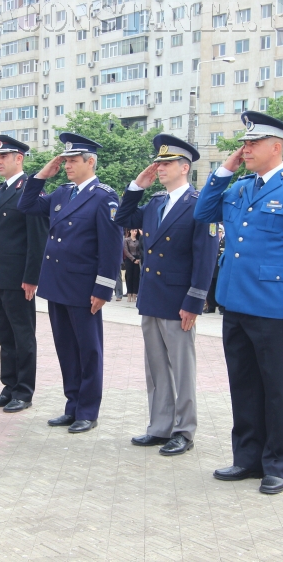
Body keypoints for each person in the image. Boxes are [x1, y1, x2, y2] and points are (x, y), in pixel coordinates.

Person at [193, 111, 283, 495]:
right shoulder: (238, 188)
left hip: (274, 308)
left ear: (275, 146)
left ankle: (278, 463)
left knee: (277, 388)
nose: (245, 148)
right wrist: (224, 170)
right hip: (235, 303)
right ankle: (247, 458)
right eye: (244, 143)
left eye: (252, 144)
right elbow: (203, 213)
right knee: (244, 384)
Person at [114, 134, 218, 456]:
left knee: (182, 368)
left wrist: (195, 301)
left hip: (179, 300)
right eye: (158, 163)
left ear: (184, 167)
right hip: (152, 296)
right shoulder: (156, 202)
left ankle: (184, 430)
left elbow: (205, 256)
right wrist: (136, 186)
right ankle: (160, 426)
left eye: (166, 163)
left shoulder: (199, 204)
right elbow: (121, 218)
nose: (159, 168)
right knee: (156, 367)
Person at [18, 132, 123, 433]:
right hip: (56, 283)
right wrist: (41, 175)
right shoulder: (62, 193)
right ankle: (72, 405)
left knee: (88, 350)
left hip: (83, 287)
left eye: (73, 161)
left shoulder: (105, 197)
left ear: (90, 162)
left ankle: (87, 411)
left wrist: (103, 288)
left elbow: (111, 248)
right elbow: (27, 205)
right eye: (64, 161)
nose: (66, 166)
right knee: (66, 349)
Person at [0, 134, 49, 413]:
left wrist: (31, 277)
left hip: (18, 278)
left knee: (22, 336)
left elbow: (37, 238)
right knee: (4, 335)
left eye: (3, 157)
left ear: (19, 158)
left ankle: (24, 392)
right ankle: (9, 386)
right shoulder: (1, 191)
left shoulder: (31, 191)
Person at [123, 228, 141, 302]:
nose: (134, 232)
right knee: (129, 276)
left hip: (137, 259)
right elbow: (126, 251)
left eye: (136, 231)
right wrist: (133, 259)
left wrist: (138, 259)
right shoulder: (126, 240)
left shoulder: (138, 241)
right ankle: (129, 293)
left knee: (136, 277)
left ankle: (134, 294)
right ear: (130, 231)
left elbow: (140, 250)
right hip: (129, 259)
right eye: (133, 231)